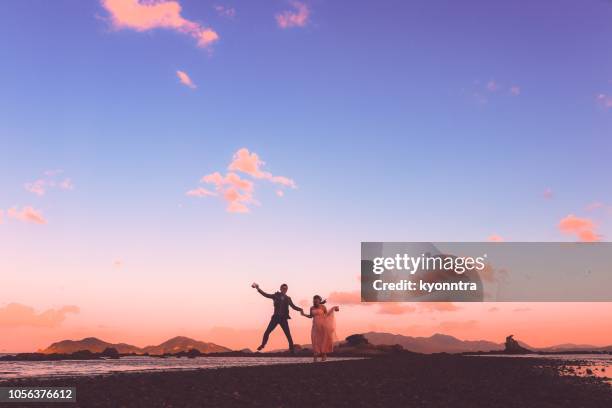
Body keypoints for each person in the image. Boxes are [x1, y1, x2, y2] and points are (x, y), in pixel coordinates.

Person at [252, 282, 304, 353]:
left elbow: (293, 306)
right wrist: (258, 288)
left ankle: (291, 349)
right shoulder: (276, 295)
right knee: (267, 332)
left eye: (286, 288)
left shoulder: (288, 298)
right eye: (283, 288)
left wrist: (300, 309)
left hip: (283, 318)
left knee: (288, 334)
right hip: (275, 317)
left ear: (287, 290)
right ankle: (263, 345)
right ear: (280, 289)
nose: (284, 289)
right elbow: (266, 295)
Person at [301, 295, 339, 362]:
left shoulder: (323, 307)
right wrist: (304, 314)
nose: (315, 301)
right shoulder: (311, 308)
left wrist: (333, 309)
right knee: (315, 341)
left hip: (323, 326)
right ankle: (315, 358)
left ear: (319, 300)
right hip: (315, 327)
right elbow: (311, 316)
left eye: (317, 299)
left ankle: (323, 356)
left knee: (323, 341)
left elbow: (327, 315)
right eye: (314, 299)